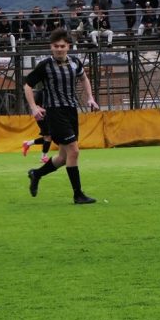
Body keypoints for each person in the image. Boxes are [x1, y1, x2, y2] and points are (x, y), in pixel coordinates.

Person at [24, 29, 100, 204]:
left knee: (63, 157)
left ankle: (36, 174)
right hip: (55, 113)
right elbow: (27, 85)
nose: (59, 49)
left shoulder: (75, 62)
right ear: (51, 47)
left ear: (68, 47)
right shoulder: (45, 65)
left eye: (62, 46)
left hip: (71, 110)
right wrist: (34, 107)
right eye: (56, 46)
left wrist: (90, 97)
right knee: (74, 151)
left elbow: (84, 78)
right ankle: (78, 194)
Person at [21, 90, 53, 163]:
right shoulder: (41, 93)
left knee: (50, 136)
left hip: (50, 117)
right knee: (49, 136)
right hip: (42, 116)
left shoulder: (53, 92)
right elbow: (36, 106)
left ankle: (28, 143)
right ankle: (43, 157)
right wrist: (46, 111)